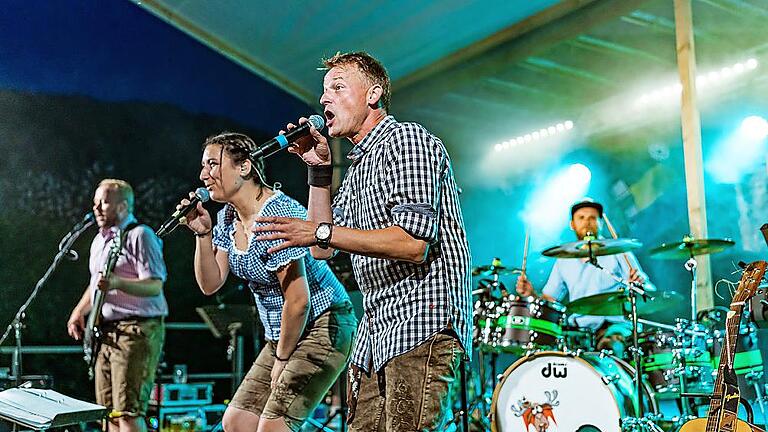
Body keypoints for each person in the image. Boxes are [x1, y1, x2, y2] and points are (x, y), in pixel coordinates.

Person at [252, 52, 472, 431]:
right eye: (324, 92)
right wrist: (318, 172)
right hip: (376, 336)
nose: (324, 100)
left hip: (421, 321)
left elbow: (413, 242)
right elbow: (322, 247)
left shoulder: (407, 140)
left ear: (373, 95)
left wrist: (318, 232)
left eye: (337, 87)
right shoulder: (357, 169)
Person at [179, 132, 356, 432]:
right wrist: (202, 234)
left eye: (212, 164)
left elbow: (299, 301)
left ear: (244, 167)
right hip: (283, 333)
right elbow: (211, 284)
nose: (203, 175)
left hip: (325, 324)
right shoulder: (226, 218)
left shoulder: (277, 214)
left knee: (272, 427)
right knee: (236, 422)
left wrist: (282, 358)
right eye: (203, 166)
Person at [67, 179, 167, 432]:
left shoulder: (140, 235)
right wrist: (79, 312)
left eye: (104, 202)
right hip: (106, 332)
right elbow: (96, 284)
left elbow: (154, 284)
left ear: (122, 206)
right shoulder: (100, 241)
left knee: (128, 412)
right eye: (95, 202)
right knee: (108, 413)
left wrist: (118, 283)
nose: (97, 208)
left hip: (136, 330)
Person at [516, 198, 655, 355]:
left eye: (592, 218)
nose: (587, 222)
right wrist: (531, 294)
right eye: (581, 218)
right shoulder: (563, 259)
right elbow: (550, 300)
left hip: (616, 326)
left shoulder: (618, 250)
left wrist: (637, 284)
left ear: (601, 223)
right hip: (580, 331)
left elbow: (649, 288)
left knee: (610, 346)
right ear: (572, 224)